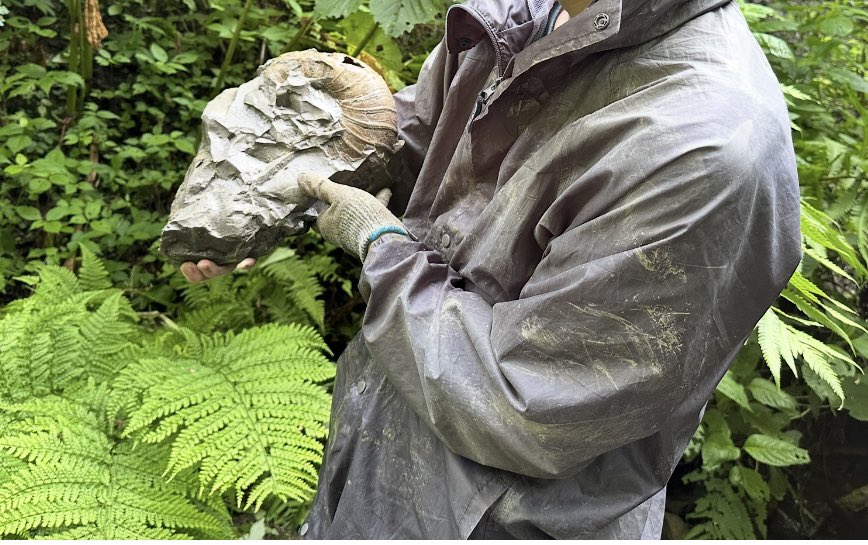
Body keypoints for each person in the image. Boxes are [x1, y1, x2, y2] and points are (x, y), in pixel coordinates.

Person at [181, 0, 801, 538]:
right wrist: (286, 181)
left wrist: (378, 242)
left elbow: (526, 406)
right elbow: (428, 149)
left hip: (497, 520)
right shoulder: (527, 16)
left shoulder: (704, 150)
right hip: (376, 451)